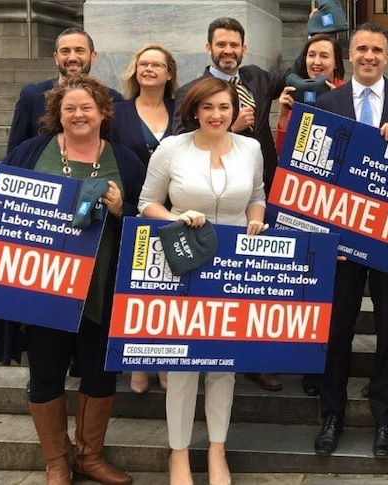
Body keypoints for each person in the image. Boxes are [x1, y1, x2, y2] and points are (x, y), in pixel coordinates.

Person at [0, 75, 145, 485]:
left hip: (102, 288)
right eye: (70, 109)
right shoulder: (29, 152)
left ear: (102, 113)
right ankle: (57, 460)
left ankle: (89, 456)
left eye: (87, 108)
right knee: (45, 373)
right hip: (44, 290)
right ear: (57, 114)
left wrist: (121, 208)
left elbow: (146, 221)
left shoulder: (126, 160)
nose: (79, 115)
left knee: (99, 374)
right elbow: (1, 208)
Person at [312, 22, 388, 458]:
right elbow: (315, 168)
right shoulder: (327, 101)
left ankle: (386, 418)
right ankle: (332, 415)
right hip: (341, 243)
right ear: (351, 55)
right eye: (361, 49)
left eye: (377, 50)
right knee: (337, 329)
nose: (369, 56)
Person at [139, 77, 267, 485]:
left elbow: (257, 195)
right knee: (181, 364)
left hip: (233, 265)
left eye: (224, 108)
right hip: (184, 261)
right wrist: (175, 218)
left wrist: (256, 219)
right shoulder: (172, 148)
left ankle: (217, 451)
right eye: (208, 107)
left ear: (235, 111)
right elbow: (146, 203)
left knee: (223, 365)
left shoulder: (251, 148)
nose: (216, 115)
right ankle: (178, 453)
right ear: (194, 110)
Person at [172, 17, 285, 392]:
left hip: (253, 196)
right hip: (203, 203)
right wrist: (228, 130)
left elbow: (303, 72)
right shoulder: (191, 89)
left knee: (251, 288)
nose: (228, 51)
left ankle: (252, 361)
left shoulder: (257, 78)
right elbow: (177, 139)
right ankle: (201, 355)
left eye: (234, 44)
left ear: (244, 48)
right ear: (209, 48)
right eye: (221, 44)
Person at [274, 33, 345, 397]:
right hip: (302, 204)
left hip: (341, 207)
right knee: (305, 289)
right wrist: (285, 114)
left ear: (336, 63)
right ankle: (307, 363)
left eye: (324, 56)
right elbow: (283, 153)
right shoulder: (295, 93)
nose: (317, 61)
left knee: (334, 295)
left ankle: (329, 363)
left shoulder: (348, 94)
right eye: (311, 55)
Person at [109, 43, 179, 395]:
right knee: (135, 287)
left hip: (175, 211)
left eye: (157, 64)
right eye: (143, 63)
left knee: (169, 288)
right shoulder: (117, 112)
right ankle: (137, 362)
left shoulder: (181, 110)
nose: (149, 68)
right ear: (135, 70)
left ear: (169, 72)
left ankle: (164, 360)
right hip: (129, 209)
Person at [7, 27, 123, 154]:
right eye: (65, 51)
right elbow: (15, 151)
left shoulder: (112, 98)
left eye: (79, 50)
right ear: (56, 57)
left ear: (93, 56)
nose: (72, 57)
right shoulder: (32, 95)